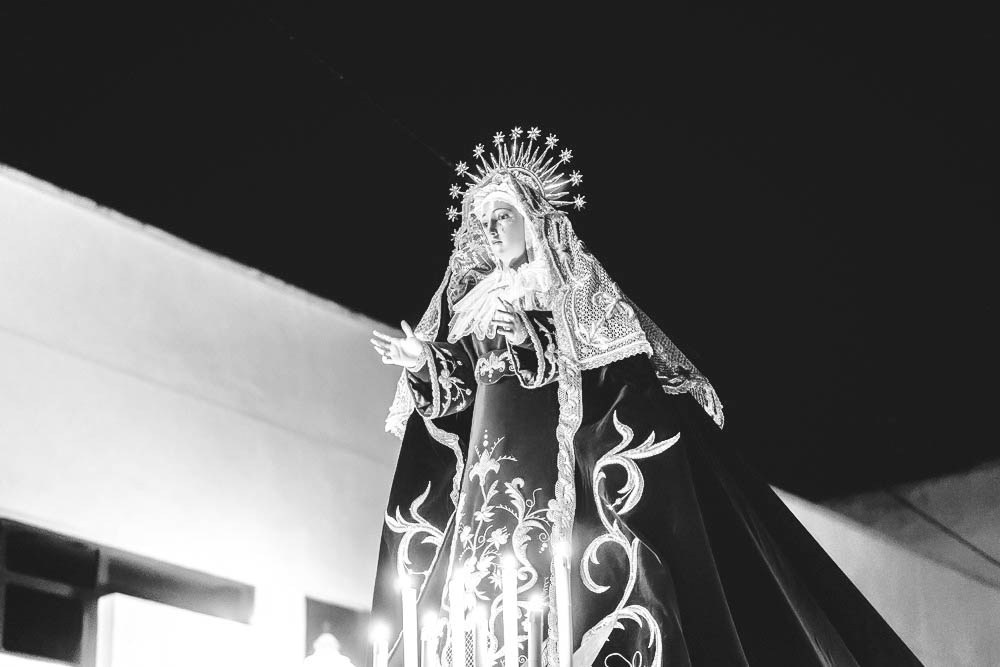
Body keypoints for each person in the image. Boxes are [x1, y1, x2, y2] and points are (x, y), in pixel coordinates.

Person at [369, 128, 921, 667]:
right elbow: (458, 393)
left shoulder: (564, 288)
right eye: (483, 222)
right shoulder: (473, 303)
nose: (491, 230)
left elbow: (602, 371)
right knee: (482, 594)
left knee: (549, 586)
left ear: (534, 219)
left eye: (503, 216)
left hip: (550, 465)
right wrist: (425, 364)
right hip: (485, 483)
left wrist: (530, 337)